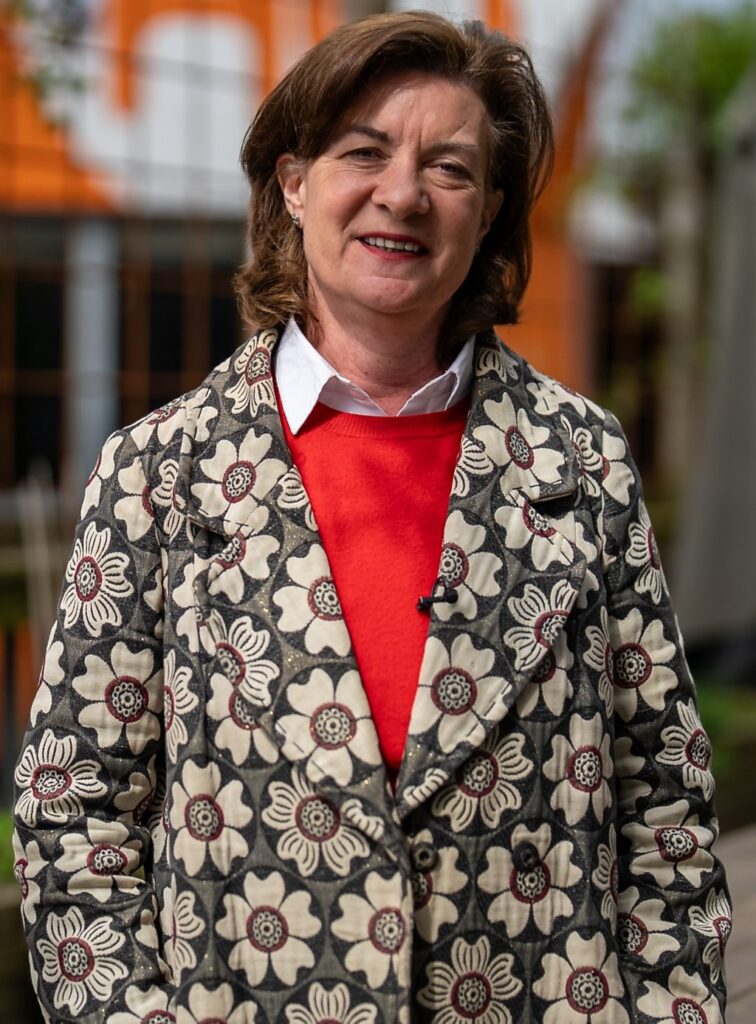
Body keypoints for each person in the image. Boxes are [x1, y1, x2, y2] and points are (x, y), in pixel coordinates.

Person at [13, 12, 730, 1024]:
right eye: (364, 151)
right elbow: (74, 817)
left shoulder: (581, 462)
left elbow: (666, 807)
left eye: (450, 168)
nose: (403, 193)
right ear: (293, 182)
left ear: (487, 213)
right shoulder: (158, 473)